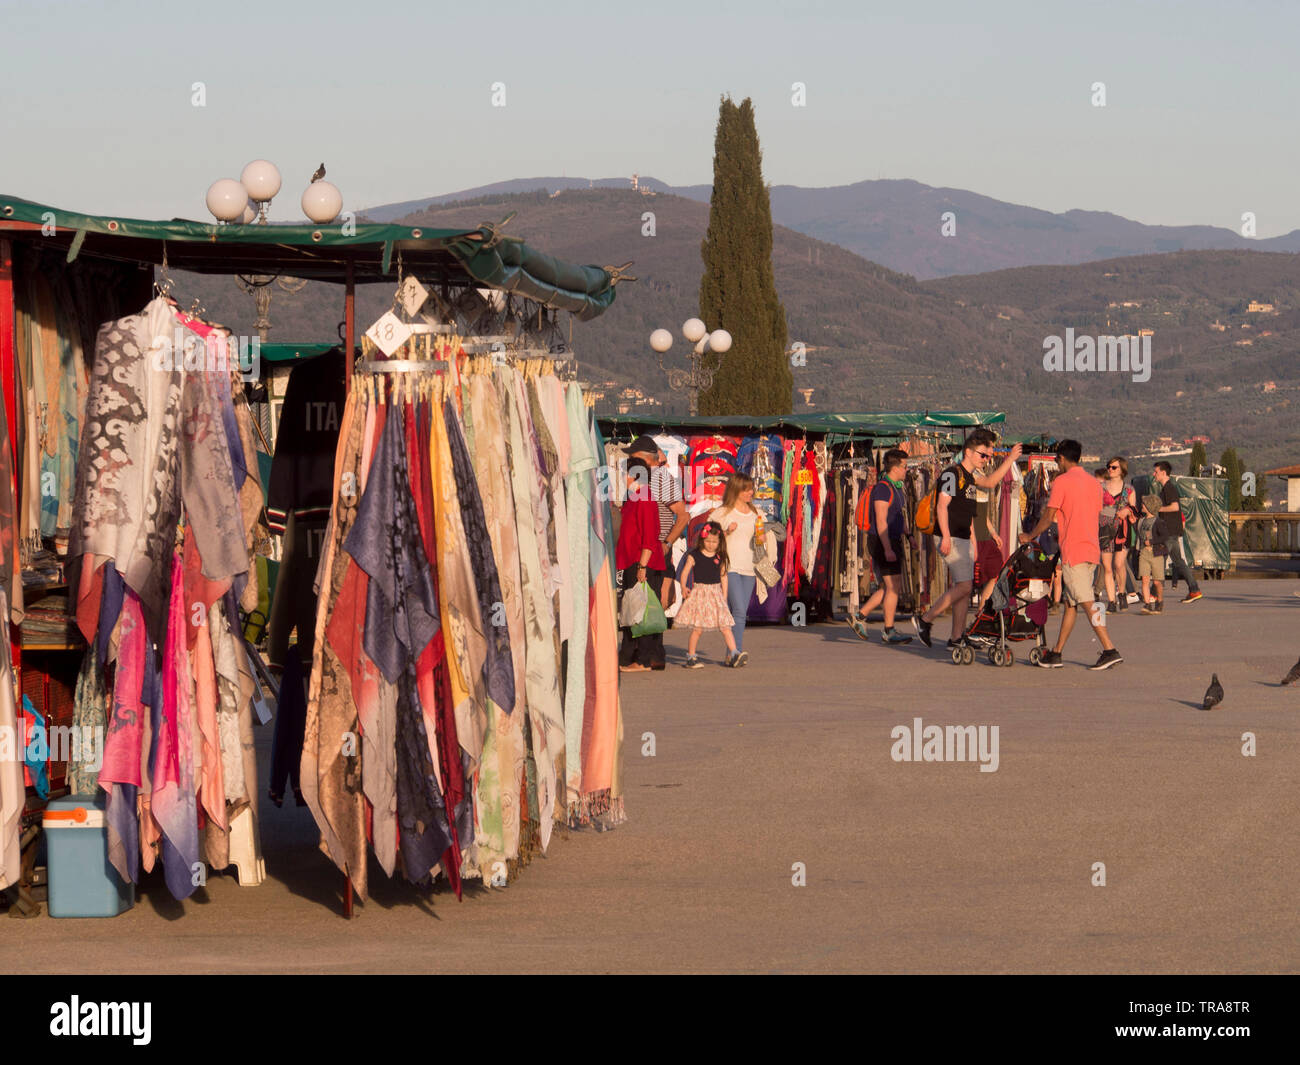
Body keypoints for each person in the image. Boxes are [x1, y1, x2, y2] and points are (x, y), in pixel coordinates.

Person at [1019, 439, 1123, 669]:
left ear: (1063, 459)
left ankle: (1109, 648)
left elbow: (1049, 515)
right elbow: (1100, 507)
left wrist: (1030, 535)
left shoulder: (1062, 482)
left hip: (1073, 550)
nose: (1057, 463)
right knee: (1071, 603)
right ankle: (1056, 653)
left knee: (1086, 600)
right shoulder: (1094, 483)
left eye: (1057, 460)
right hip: (1091, 549)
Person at [913, 431, 1022, 649]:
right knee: (964, 587)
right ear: (969, 452)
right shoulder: (952, 474)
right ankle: (925, 619)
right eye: (983, 455)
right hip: (950, 536)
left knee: (964, 588)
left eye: (989, 456)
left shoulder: (971, 477)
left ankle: (956, 638)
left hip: (962, 537)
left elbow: (989, 484)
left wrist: (1010, 459)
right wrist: (944, 535)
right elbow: (942, 506)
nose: (986, 459)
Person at [848, 449, 913, 644]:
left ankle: (860, 616)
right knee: (892, 587)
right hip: (882, 541)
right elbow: (881, 520)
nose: (906, 470)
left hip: (893, 540)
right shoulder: (883, 489)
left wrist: (909, 536)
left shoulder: (897, 488)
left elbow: (900, 515)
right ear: (894, 467)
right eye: (904, 466)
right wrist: (887, 548)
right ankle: (888, 629)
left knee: (892, 586)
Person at [627, 434, 688, 633]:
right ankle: (650, 654)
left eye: (633, 457)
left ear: (643, 458)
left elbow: (683, 515)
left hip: (654, 549)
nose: (629, 461)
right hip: (641, 549)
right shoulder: (638, 477)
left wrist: (667, 544)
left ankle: (648, 653)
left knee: (652, 603)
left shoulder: (661, 478)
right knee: (645, 603)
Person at [615, 456, 667, 672]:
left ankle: (644, 659)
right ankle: (627, 657)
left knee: (642, 611)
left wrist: (642, 566)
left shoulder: (644, 498)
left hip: (643, 562)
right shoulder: (634, 497)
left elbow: (649, 536)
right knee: (631, 609)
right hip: (632, 561)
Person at [709, 473, 761, 665]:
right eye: (746, 489)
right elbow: (707, 537)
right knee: (738, 610)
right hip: (728, 566)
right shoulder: (722, 513)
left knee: (740, 612)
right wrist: (726, 532)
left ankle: (731, 653)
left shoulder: (756, 513)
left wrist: (762, 539)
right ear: (736, 490)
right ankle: (734, 652)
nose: (750, 492)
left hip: (749, 567)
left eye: (751, 488)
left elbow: (761, 539)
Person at [676, 521, 740, 668]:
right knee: (698, 628)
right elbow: (685, 572)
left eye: (714, 542)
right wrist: (683, 587)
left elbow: (724, 576)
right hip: (700, 593)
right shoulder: (694, 555)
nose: (711, 544)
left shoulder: (720, 557)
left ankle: (734, 652)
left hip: (716, 594)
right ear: (702, 539)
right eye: (708, 541)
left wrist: (724, 596)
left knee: (725, 626)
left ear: (719, 542)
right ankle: (691, 657)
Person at [1152, 460, 1203, 603]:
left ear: (1163, 473)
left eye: (1156, 472)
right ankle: (1194, 590)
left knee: (1158, 561)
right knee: (1178, 562)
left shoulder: (1169, 488)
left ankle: (1153, 593)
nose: (1154, 474)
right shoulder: (1166, 488)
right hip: (1172, 532)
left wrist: (1158, 509)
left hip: (1168, 532)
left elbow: (1174, 507)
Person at [1100, 456, 1138, 612]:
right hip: (1104, 529)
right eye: (1108, 466)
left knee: (1118, 563)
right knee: (1107, 567)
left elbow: (1134, 509)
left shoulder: (1129, 489)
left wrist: (1127, 510)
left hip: (1122, 530)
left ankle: (1121, 592)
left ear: (1122, 470)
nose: (1110, 469)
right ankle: (1111, 601)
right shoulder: (1101, 487)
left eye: (1114, 467)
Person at [1135, 494, 1166, 614]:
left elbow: (1164, 536)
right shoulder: (1141, 521)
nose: (1142, 506)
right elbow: (1139, 534)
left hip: (1156, 553)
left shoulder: (1158, 522)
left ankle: (1160, 601)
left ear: (1149, 506)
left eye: (1144, 504)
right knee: (1145, 580)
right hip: (1144, 553)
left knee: (1157, 582)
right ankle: (1147, 604)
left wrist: (1152, 541)